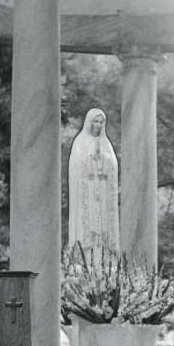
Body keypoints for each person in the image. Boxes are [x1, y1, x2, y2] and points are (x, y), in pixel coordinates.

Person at [68, 108, 119, 253]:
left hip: (102, 187)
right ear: (89, 122)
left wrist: (104, 158)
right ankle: (85, 251)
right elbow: (75, 164)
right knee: (89, 221)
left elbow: (113, 164)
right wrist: (90, 157)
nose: (98, 125)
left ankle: (104, 252)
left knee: (102, 222)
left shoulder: (106, 143)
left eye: (101, 122)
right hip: (87, 188)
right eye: (96, 121)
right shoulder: (80, 141)